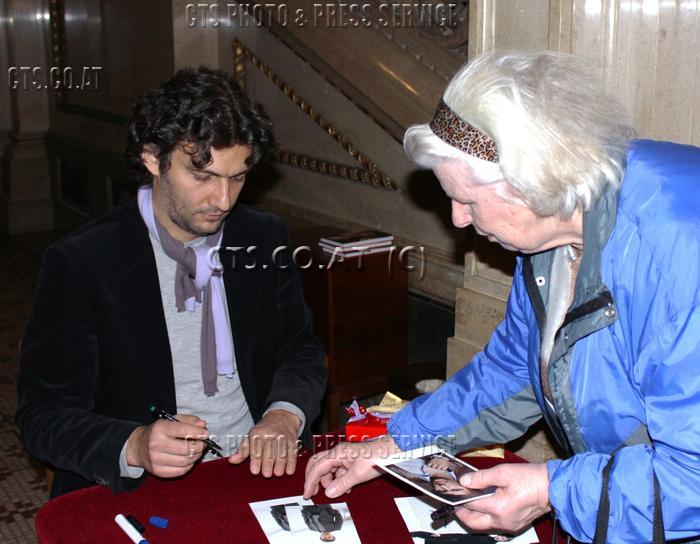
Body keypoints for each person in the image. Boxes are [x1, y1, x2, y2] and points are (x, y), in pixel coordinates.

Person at [304, 51, 700, 542]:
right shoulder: (552, 231)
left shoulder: (682, 250)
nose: (457, 220)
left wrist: (551, 490)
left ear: (531, 180)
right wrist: (395, 443)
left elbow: (694, 476)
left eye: (467, 200)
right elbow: (515, 371)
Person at [16, 66, 327, 497]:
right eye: (202, 177)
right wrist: (135, 445)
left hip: (255, 471)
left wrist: (283, 415)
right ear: (152, 159)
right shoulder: (83, 262)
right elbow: (43, 416)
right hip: (141, 489)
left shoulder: (262, 237)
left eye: (237, 177)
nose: (223, 200)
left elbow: (300, 351)